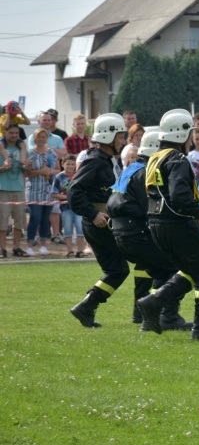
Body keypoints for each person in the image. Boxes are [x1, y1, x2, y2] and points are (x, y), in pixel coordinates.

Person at [136, 109, 199, 340]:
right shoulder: (177, 159)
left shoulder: (155, 157)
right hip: (178, 223)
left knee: (192, 270)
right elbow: (180, 196)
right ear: (180, 134)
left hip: (157, 223)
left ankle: (155, 301)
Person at [107, 129, 193, 331]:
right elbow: (152, 208)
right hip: (136, 233)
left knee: (160, 270)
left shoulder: (130, 168)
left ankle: (149, 318)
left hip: (122, 234)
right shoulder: (146, 172)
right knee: (174, 267)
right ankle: (167, 316)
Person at [68, 113, 130, 328]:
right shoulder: (95, 161)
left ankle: (85, 307)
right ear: (109, 137)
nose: (124, 141)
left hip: (101, 223)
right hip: (99, 224)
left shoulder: (106, 160)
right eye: (121, 137)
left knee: (118, 270)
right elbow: (74, 191)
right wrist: (93, 214)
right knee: (147, 257)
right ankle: (154, 311)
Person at [24, 128, 59, 255]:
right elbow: (26, 173)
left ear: (46, 138)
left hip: (48, 190)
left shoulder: (51, 153)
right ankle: (30, 244)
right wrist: (40, 172)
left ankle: (44, 244)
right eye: (39, 137)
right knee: (35, 217)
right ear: (34, 138)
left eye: (44, 137)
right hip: (34, 190)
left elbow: (58, 169)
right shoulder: (29, 153)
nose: (41, 139)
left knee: (45, 219)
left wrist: (51, 172)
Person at [0, 123, 30, 258]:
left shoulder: (21, 148)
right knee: (2, 222)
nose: (14, 135)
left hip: (19, 189)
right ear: (5, 133)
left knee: (19, 221)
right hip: (3, 189)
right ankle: (2, 249)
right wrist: (3, 168)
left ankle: (16, 247)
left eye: (16, 133)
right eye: (11, 133)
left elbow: (27, 170)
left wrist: (28, 165)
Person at [51, 155, 87, 257]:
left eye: (72, 164)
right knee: (67, 229)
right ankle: (70, 251)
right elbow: (53, 193)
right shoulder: (59, 177)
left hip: (78, 208)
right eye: (68, 164)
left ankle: (80, 251)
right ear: (63, 164)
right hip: (65, 208)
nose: (70, 166)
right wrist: (67, 197)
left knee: (80, 229)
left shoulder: (78, 176)